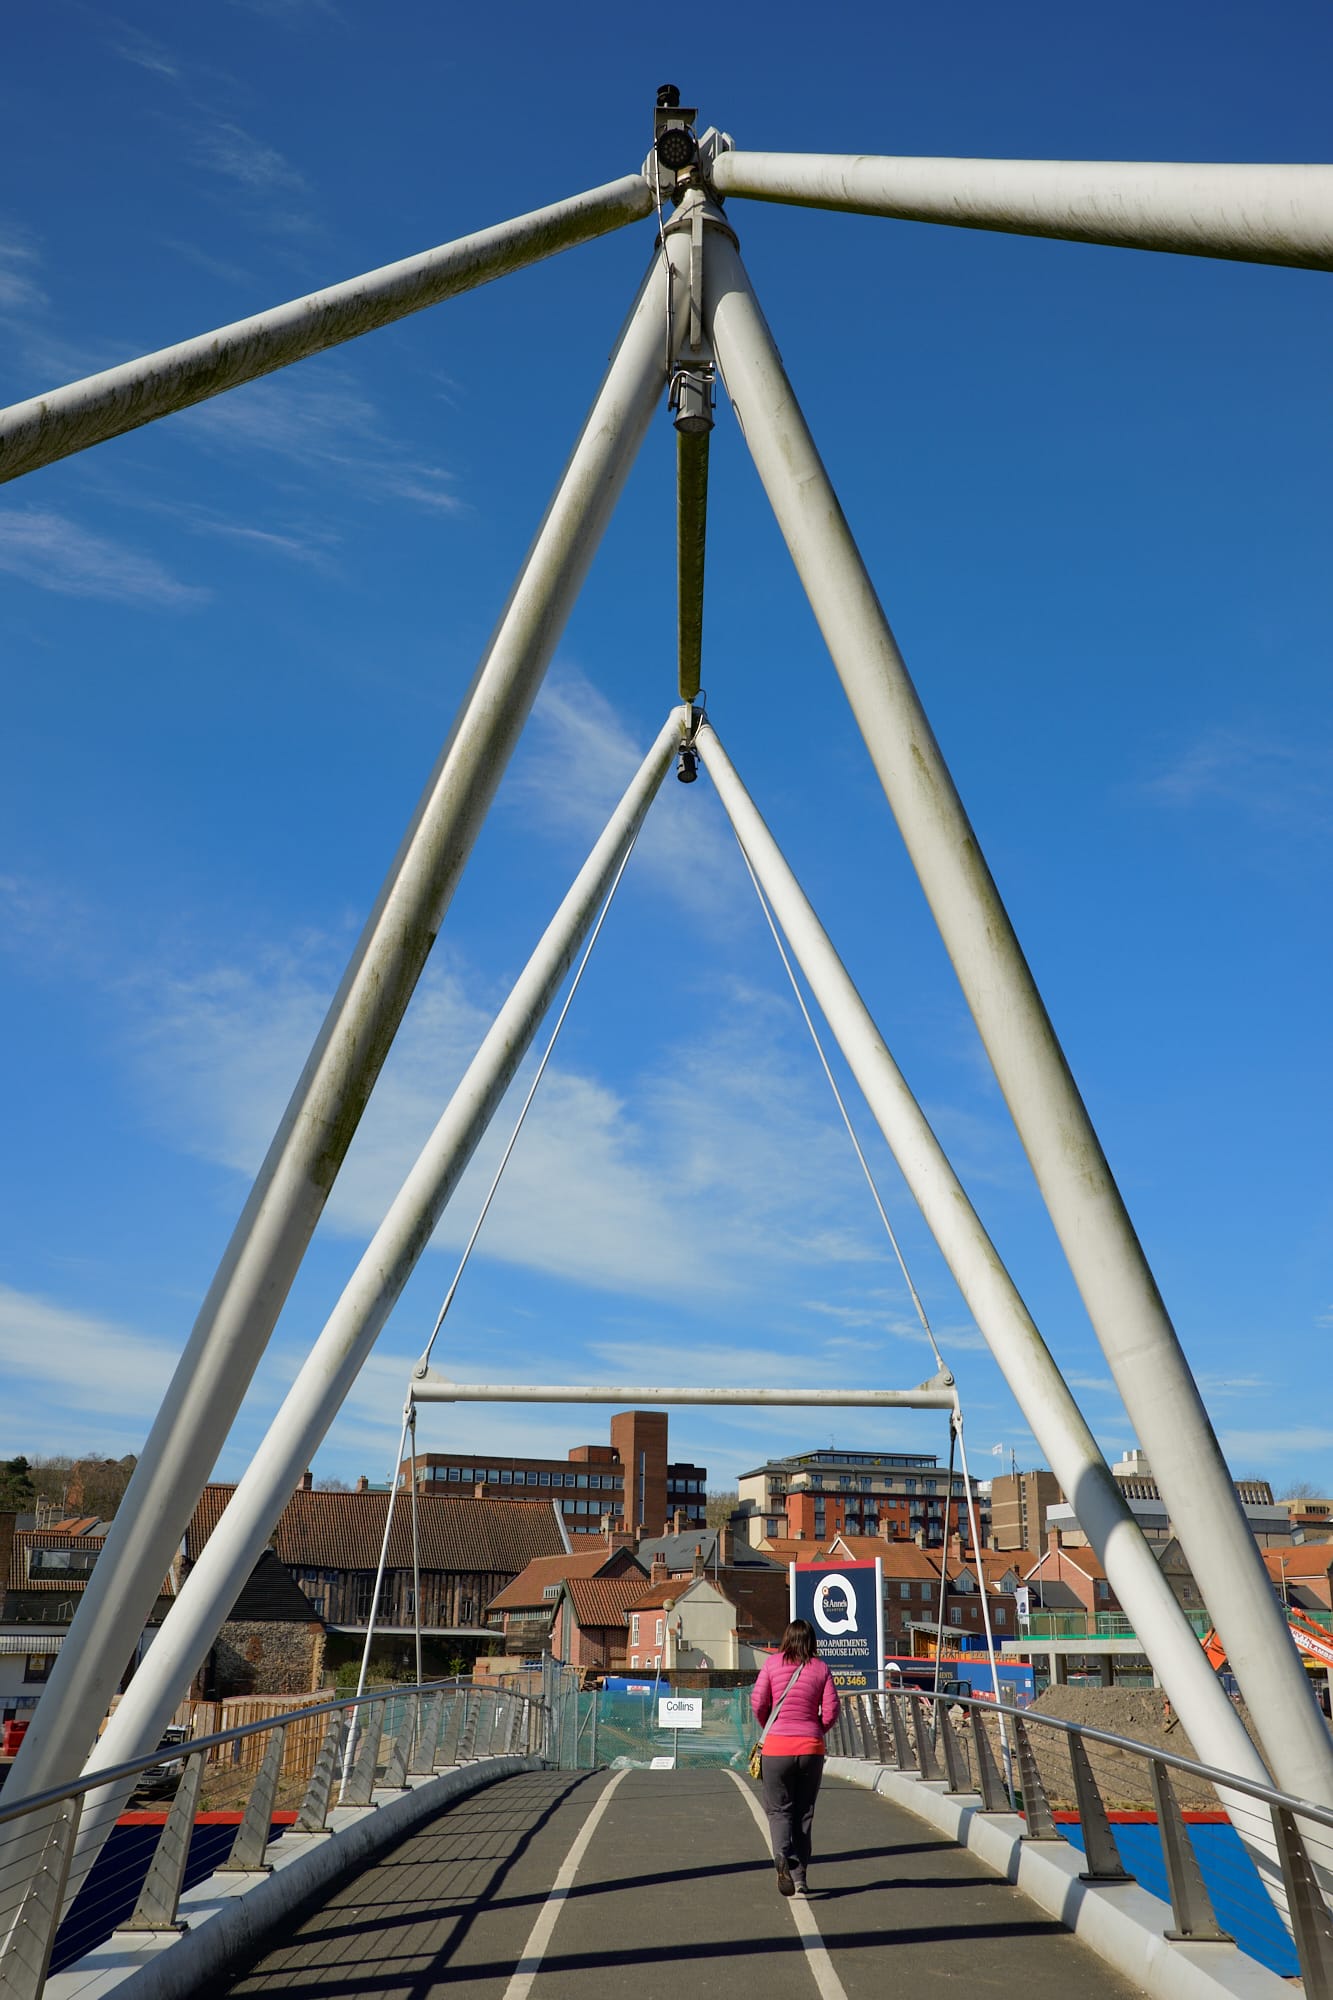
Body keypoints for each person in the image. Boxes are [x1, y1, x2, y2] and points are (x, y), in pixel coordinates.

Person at [750, 1618, 840, 1898]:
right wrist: (816, 1729)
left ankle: (781, 1856)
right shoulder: (821, 1668)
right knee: (804, 1813)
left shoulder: (771, 1664)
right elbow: (832, 1710)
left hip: (777, 1748)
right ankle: (800, 1878)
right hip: (811, 1748)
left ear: (786, 1638)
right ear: (812, 1641)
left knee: (779, 1810)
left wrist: (770, 1726)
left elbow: (758, 1701)